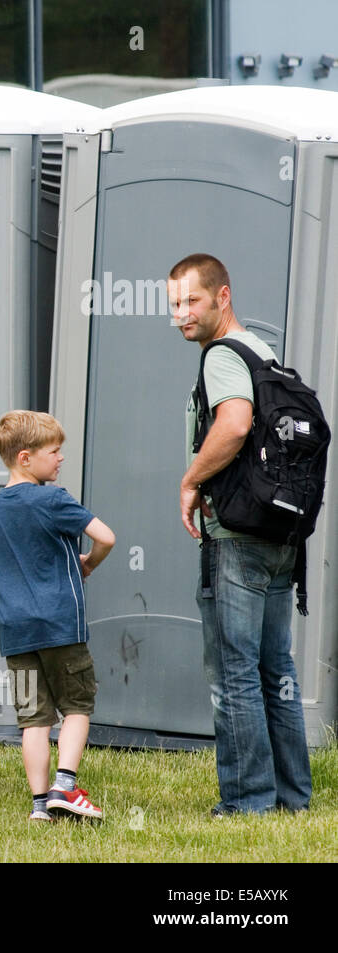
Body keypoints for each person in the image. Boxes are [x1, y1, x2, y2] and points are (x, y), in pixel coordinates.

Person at [171, 252, 312, 816]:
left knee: (234, 673)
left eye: (192, 302)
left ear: (222, 297)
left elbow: (233, 423)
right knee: (275, 669)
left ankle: (246, 801)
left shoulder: (222, 357)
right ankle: (291, 796)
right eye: (174, 304)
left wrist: (190, 481)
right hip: (280, 534)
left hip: (237, 535)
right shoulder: (262, 350)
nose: (181, 315)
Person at [0, 411, 114, 822]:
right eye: (54, 452)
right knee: (77, 706)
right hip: (61, 627)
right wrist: (88, 563)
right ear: (25, 457)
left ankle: (40, 804)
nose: (60, 459)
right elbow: (106, 537)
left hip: (16, 632)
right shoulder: (54, 499)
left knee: (33, 720)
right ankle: (66, 787)